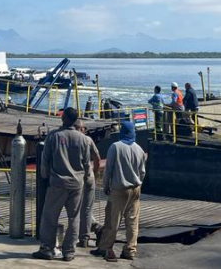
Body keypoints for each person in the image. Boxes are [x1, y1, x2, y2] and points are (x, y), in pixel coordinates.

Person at [33, 107, 91, 262]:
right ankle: (69, 251)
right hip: (77, 183)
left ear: (64, 118)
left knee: (49, 216)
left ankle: (47, 248)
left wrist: (44, 177)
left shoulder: (54, 136)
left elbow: (45, 160)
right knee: (74, 218)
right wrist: (86, 179)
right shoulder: (83, 139)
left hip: (58, 182)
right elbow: (87, 163)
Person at [91, 122, 147, 262]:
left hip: (119, 188)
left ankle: (105, 248)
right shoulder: (139, 149)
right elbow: (142, 172)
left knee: (112, 220)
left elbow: (108, 169)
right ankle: (130, 250)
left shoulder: (115, 147)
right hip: (135, 189)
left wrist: (105, 186)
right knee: (133, 221)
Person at [75, 120, 101, 248]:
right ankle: (94, 229)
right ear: (81, 129)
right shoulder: (88, 140)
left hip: (75, 177)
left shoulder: (71, 139)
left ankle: (86, 236)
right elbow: (97, 158)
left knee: (77, 208)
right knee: (86, 208)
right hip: (88, 176)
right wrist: (94, 173)